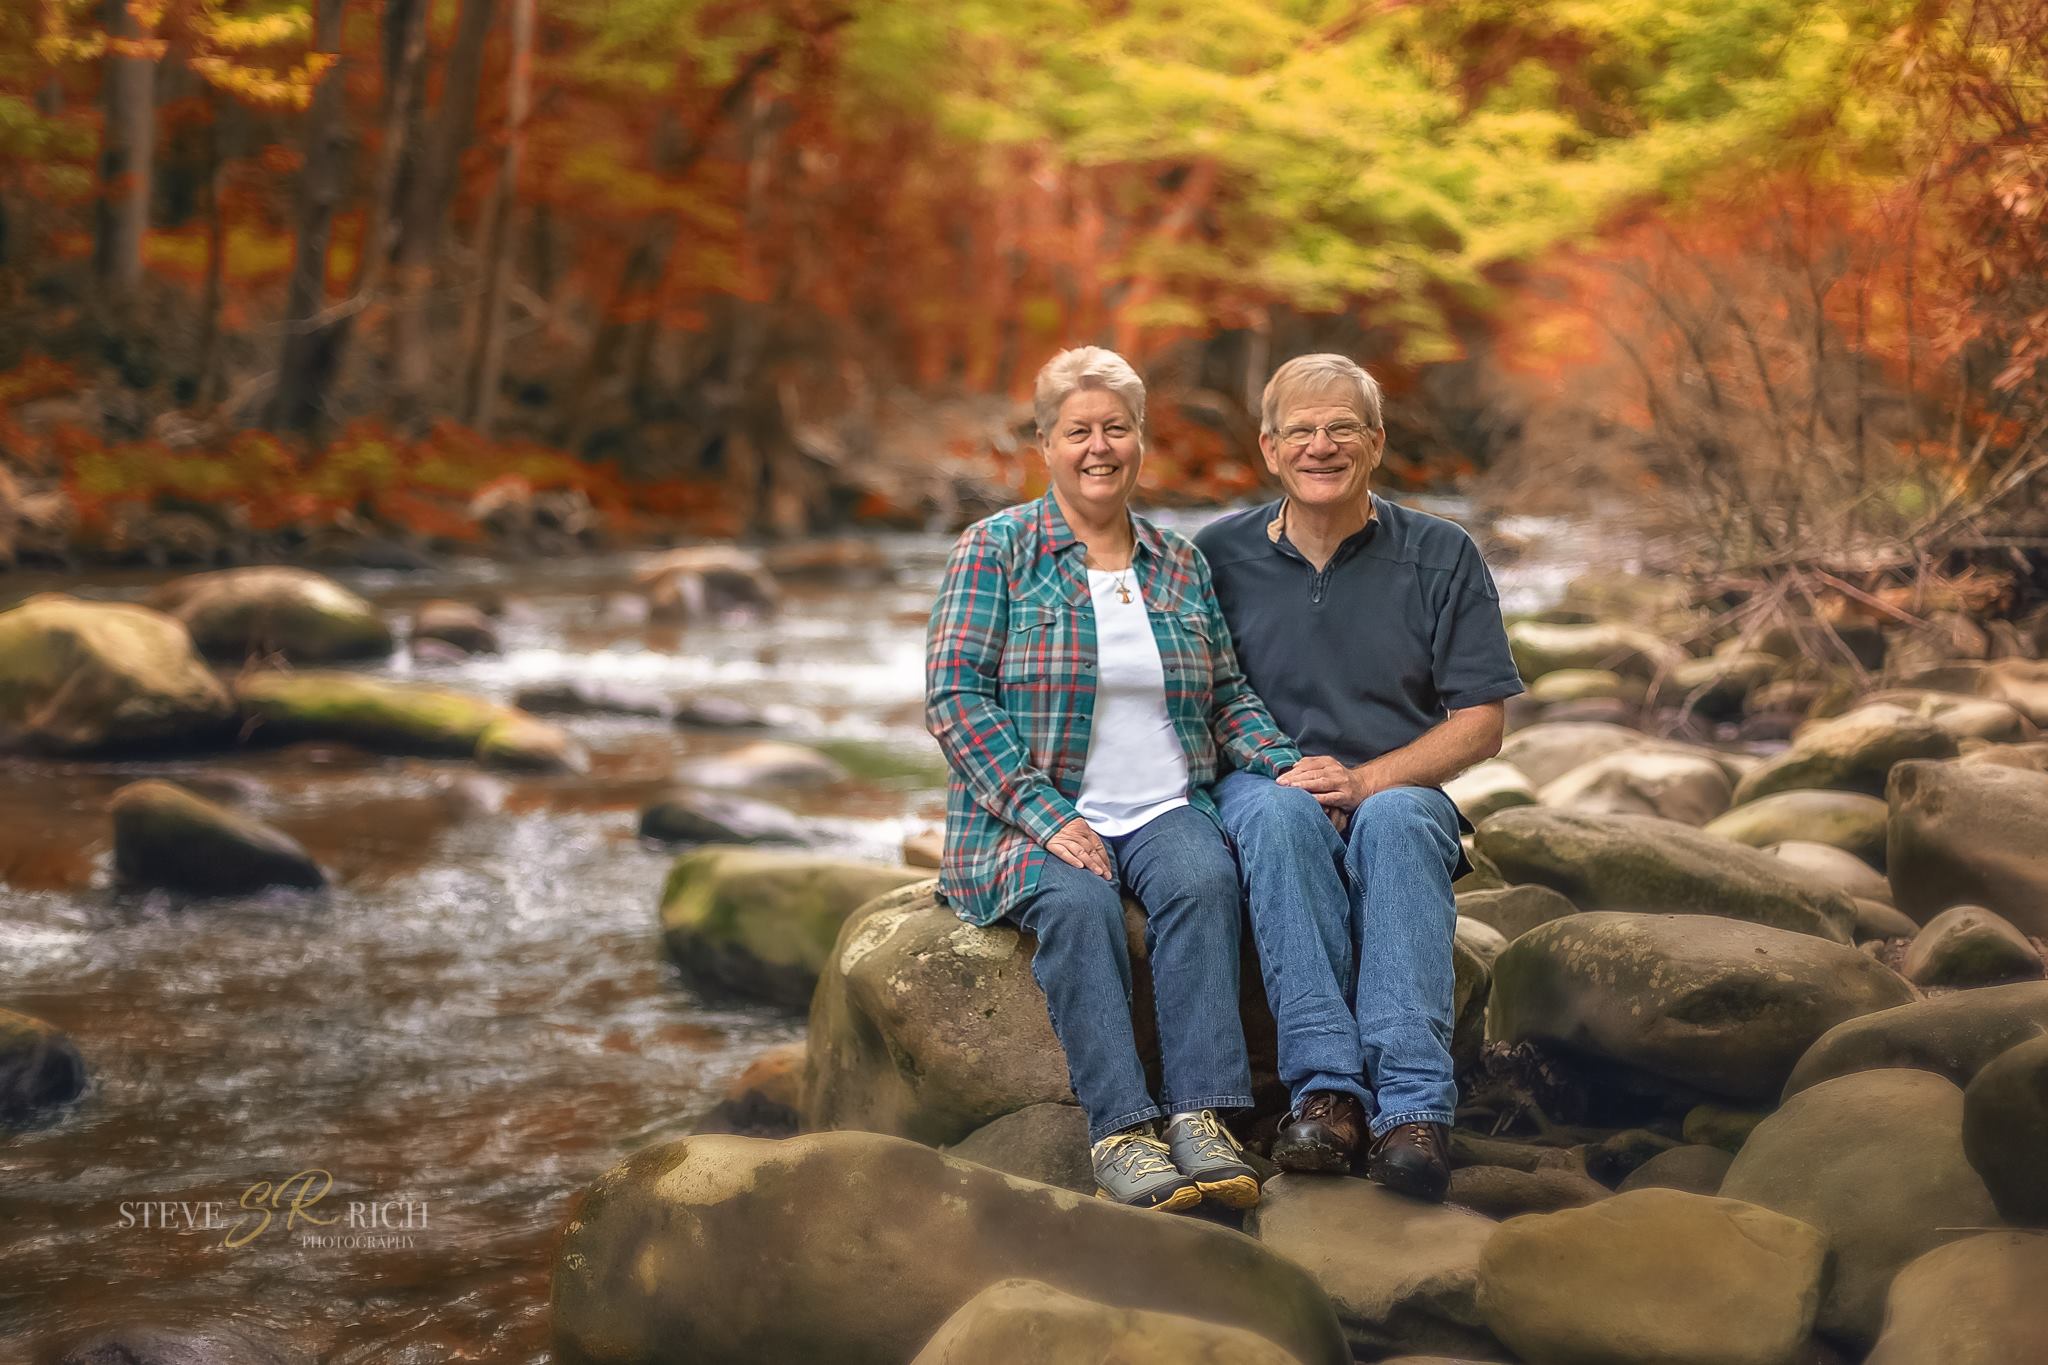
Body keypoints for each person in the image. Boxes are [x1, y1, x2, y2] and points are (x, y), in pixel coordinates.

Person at [925, 346, 1301, 1212]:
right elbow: (954, 695)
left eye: (1117, 429)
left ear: (1140, 441)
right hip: (1028, 816)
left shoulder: (1178, 562)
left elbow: (1226, 694)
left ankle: (1202, 1114)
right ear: (1045, 443)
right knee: (1081, 904)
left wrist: (1284, 765)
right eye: (1078, 431)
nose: (1100, 447)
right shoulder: (998, 549)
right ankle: (1120, 1130)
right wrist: (1043, 814)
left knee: (1206, 878)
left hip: (1164, 803)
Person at [1195, 353, 1524, 1203]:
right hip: (1265, 783)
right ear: (1269, 448)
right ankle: (1328, 1095)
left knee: (1401, 821)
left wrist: (1369, 781)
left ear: (1375, 442)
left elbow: (1482, 721)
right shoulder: (1214, 556)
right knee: (1276, 817)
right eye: (1300, 430)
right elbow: (1181, 699)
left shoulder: (1441, 553)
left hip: (1396, 786)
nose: (1321, 445)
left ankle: (1414, 1113)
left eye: (1342, 426)